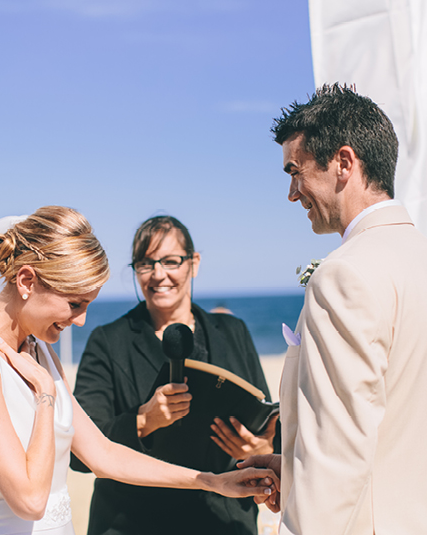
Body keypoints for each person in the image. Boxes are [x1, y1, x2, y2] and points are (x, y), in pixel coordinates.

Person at [0, 207, 278, 535]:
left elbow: (104, 455)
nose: (81, 321)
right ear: (27, 281)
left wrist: (212, 481)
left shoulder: (39, 350)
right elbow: (30, 501)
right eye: (74, 303)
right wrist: (46, 398)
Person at [240, 85, 427, 535]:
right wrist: (293, 468)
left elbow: (338, 447)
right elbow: (417, 432)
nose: (292, 193)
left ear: (344, 163)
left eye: (296, 171)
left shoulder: (344, 275)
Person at [72, 216, 278, 535]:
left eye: (170, 261)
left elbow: (265, 420)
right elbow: (80, 457)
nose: (158, 275)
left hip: (224, 522)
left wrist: (260, 450)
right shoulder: (107, 341)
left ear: (193, 264)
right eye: (145, 264)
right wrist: (143, 420)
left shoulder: (232, 331)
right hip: (134, 521)